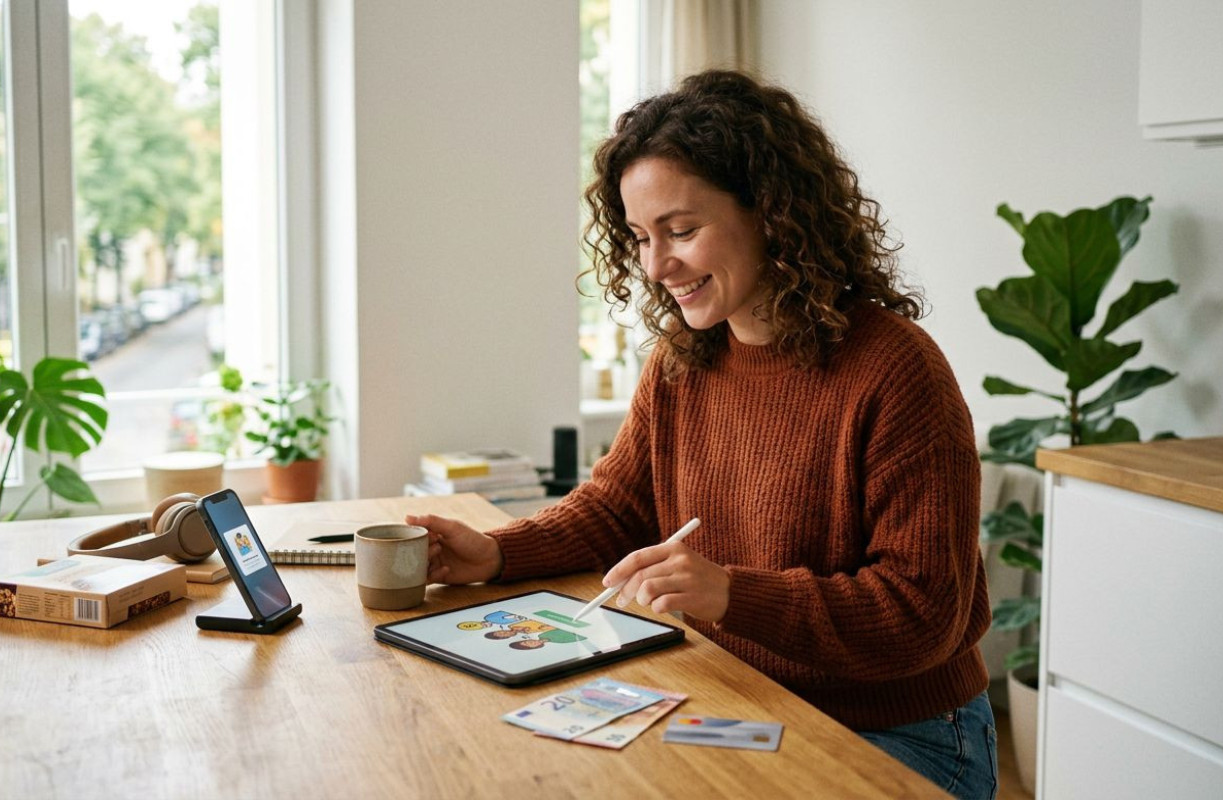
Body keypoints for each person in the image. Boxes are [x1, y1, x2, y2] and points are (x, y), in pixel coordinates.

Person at [407, 69, 995, 798]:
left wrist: (733, 596)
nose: (656, 266)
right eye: (640, 238)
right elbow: (618, 507)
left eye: (682, 231)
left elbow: (921, 614)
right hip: (740, 697)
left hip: (899, 733)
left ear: (774, 213)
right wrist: (496, 552)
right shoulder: (687, 358)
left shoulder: (897, 371)